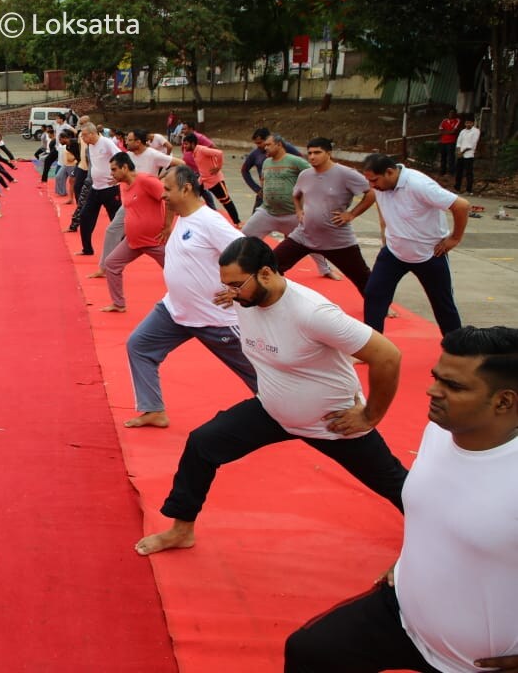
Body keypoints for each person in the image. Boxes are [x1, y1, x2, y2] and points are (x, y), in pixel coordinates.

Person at [135, 236, 408, 556]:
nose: (232, 292)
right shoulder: (246, 297)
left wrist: (370, 415)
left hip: (332, 422)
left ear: (266, 273)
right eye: (227, 286)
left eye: (237, 284)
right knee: (202, 444)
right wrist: (235, 293)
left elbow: (388, 356)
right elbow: (238, 296)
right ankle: (181, 531)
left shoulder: (314, 312)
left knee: (397, 485)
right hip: (273, 412)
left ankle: (445, 536)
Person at [283, 325, 518, 673]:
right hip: (404, 615)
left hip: (478, 664)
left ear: (503, 401)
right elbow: (441, 507)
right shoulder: (440, 429)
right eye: (436, 377)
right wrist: (411, 560)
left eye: (452, 386)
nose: (432, 391)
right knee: (310, 651)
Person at [124, 164, 257, 428]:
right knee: (139, 345)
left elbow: (250, 255)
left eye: (168, 190)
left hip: (215, 319)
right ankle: (153, 410)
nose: (162, 196)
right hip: (174, 310)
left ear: (186, 189)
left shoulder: (211, 222)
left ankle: (290, 409)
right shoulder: (182, 215)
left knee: (259, 371)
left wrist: (240, 291)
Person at [360, 154, 469, 336]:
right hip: (394, 251)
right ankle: (373, 347)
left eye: (374, 180)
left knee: (443, 304)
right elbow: (382, 205)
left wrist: (454, 238)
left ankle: (458, 352)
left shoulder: (419, 184)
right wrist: (384, 233)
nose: (372, 186)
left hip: (429, 253)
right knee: (373, 294)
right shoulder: (382, 186)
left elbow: (462, 205)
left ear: (389, 172)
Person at [273, 138, 376, 298]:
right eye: (310, 153)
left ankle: (381, 306)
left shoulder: (346, 174)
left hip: (337, 240)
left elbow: (370, 193)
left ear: (329, 153)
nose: (312, 156)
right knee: (270, 265)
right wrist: (299, 211)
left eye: (317, 152)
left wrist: (351, 214)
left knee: (363, 277)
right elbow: (296, 194)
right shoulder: (305, 175)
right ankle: (277, 297)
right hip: (304, 236)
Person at [242, 134, 341, 280]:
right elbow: (264, 179)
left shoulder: (295, 161)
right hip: (267, 212)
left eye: (269, 144)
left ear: (279, 145)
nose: (265, 147)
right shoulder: (266, 162)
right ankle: (241, 266)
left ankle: (325, 269)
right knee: (243, 237)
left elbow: (315, 174)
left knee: (312, 240)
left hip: (292, 214)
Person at [99, 152, 172, 313]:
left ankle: (190, 304)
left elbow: (170, 199)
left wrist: (167, 226)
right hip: (133, 241)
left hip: (155, 240)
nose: (112, 173)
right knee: (111, 264)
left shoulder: (146, 181)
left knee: (176, 272)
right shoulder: (123, 185)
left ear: (125, 167)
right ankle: (119, 304)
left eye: (114, 169)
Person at [76, 123, 122, 256]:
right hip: (95, 188)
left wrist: (119, 177)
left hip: (110, 188)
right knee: (85, 217)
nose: (82, 138)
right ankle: (87, 249)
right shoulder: (90, 146)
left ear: (92, 133)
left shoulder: (106, 143)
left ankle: (123, 247)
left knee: (115, 220)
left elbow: (121, 157)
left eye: (84, 135)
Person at [239, 127, 304, 214]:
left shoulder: (285, 147)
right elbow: (244, 170)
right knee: (256, 220)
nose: (258, 146)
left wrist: (298, 186)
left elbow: (303, 166)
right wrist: (256, 189)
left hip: (287, 193)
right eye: (256, 143)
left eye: (260, 143)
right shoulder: (255, 153)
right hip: (266, 192)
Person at [182, 132, 240, 224]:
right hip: (203, 180)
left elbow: (219, 153)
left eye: (186, 144)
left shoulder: (202, 150)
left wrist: (218, 167)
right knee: (193, 196)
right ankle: (190, 217)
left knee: (225, 201)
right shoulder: (194, 152)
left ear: (193, 143)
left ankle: (237, 222)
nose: (184, 146)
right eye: (184, 144)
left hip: (215, 180)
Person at [454, 115, 481, 194]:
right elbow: (459, 142)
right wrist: (458, 151)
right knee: (459, 171)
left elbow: (472, 144)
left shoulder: (476, 131)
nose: (467, 125)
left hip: (469, 154)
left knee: (468, 172)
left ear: (472, 123)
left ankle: (469, 190)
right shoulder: (463, 131)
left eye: (469, 123)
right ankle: (457, 188)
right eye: (466, 123)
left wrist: (462, 152)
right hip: (461, 154)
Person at [437, 108, 461, 177]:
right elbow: (440, 132)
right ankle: (442, 171)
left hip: (451, 142)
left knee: (451, 158)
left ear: (455, 114)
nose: (451, 114)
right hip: (443, 141)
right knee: (443, 157)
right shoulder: (444, 121)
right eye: (450, 113)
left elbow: (454, 131)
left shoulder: (457, 120)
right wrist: (449, 132)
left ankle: (451, 172)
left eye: (453, 113)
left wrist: (445, 132)